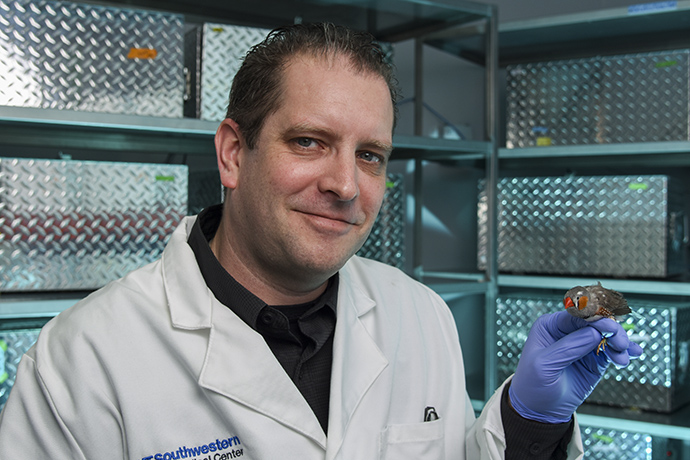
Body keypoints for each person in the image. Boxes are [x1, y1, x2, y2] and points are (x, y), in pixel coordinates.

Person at [0, 23, 640, 459]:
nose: (344, 185)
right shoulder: (83, 361)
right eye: (309, 142)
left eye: (370, 156)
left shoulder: (419, 316)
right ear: (232, 153)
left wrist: (531, 421)